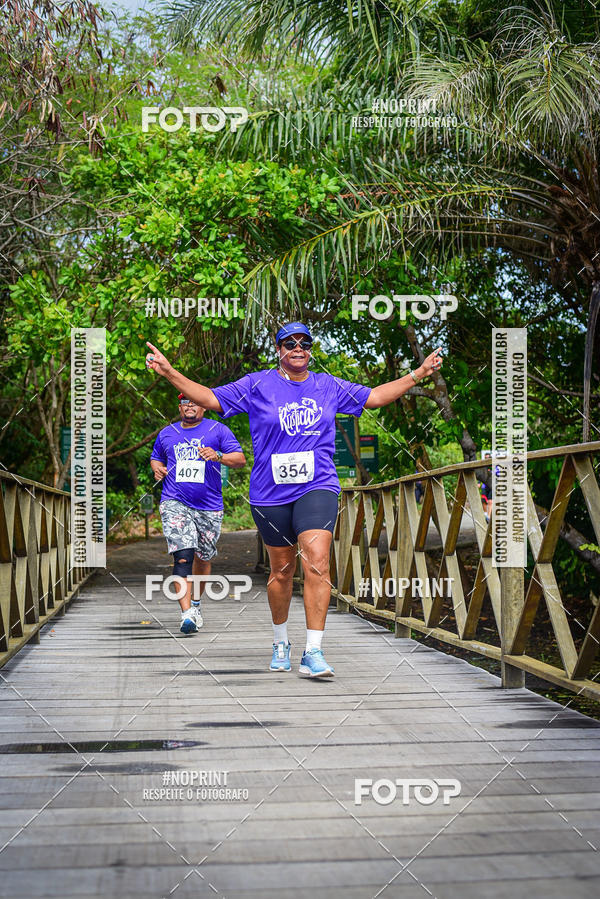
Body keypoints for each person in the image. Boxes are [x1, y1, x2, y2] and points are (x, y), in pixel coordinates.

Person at [146, 324, 442, 674]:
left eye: (305, 343)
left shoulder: (328, 386)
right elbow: (210, 397)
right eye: (290, 343)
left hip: (318, 484)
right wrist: (169, 372)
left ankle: (313, 651)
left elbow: (374, 397)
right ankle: (280, 639)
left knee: (317, 560)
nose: (298, 347)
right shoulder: (258, 384)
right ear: (279, 349)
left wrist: (418, 373)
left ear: (311, 349)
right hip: (269, 493)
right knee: (282, 570)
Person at [150, 394, 246, 634]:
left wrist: (218, 455)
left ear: (204, 406)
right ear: (179, 407)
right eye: (184, 402)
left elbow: (240, 459)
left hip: (209, 505)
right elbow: (155, 458)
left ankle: (195, 604)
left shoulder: (218, 430)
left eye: (194, 402)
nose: (189, 406)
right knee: (183, 556)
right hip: (175, 501)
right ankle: (186, 615)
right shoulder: (167, 433)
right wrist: (157, 470)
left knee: (203, 559)